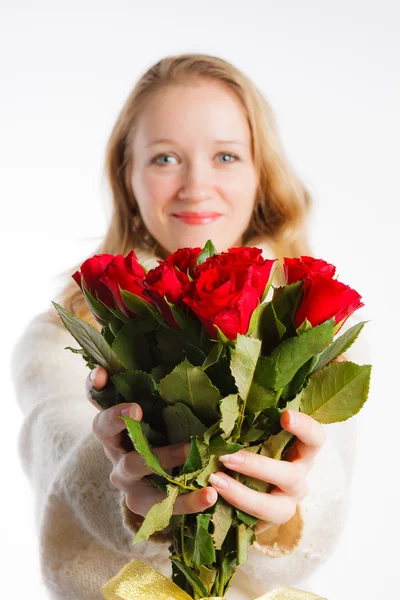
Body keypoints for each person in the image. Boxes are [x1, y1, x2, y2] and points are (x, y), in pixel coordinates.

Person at [11, 53, 370, 600]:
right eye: (164, 158)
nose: (196, 186)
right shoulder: (60, 337)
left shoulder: (307, 327)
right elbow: (58, 443)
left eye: (226, 155)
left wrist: (287, 506)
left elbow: (327, 507)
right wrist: (127, 483)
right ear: (125, 177)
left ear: (261, 175)